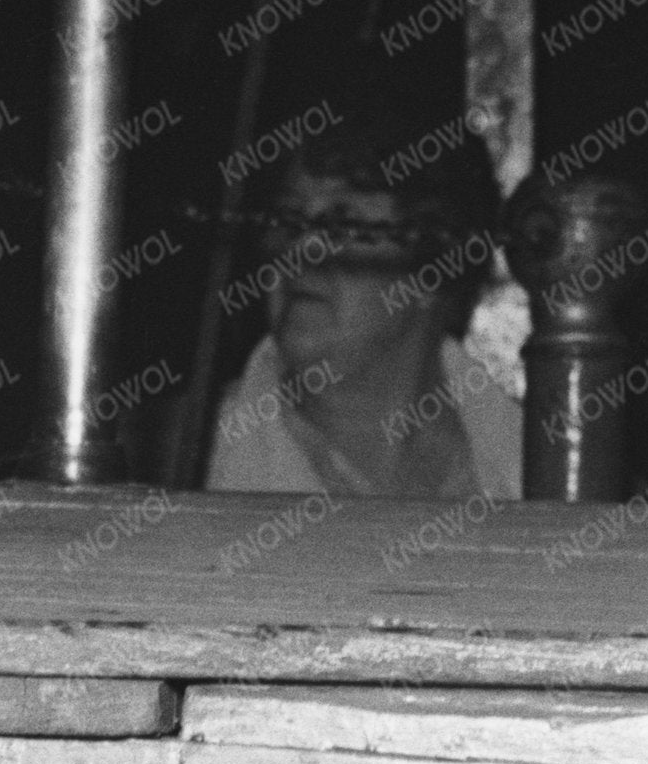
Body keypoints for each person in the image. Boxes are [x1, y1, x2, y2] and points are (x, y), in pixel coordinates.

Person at [201, 146, 519, 500]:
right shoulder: (187, 462)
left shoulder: (537, 467)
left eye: (341, 224)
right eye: (289, 218)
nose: (299, 251)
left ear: (435, 269)